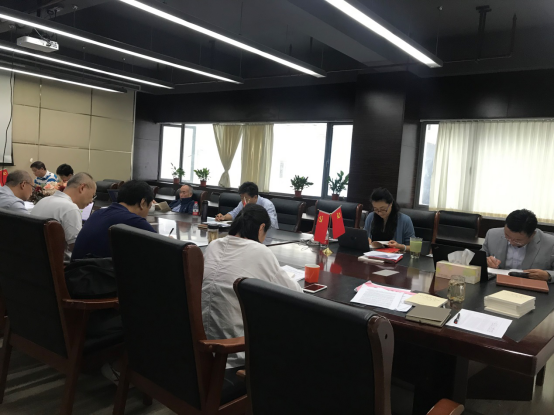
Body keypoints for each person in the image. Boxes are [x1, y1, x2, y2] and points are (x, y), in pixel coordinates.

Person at [202, 204, 302, 369]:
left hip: (201, 347)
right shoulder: (260, 252)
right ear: (261, 227)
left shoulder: (214, 245)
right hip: (232, 353)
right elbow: (296, 294)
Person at [72, 180, 157, 261]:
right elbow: (161, 247)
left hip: (75, 269)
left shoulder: (97, 213)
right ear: (143, 203)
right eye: (149, 207)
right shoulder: (135, 221)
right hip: (96, 270)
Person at [32, 173, 96, 259]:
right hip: (59, 264)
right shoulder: (70, 208)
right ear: (82, 188)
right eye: (92, 195)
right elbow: (77, 248)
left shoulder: (43, 201)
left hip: (36, 259)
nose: (91, 201)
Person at [483, 209, 554, 282]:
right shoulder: (492, 234)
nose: (511, 242)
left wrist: (548, 276)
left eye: (518, 240)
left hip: (530, 285)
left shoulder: (551, 243)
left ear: (532, 235)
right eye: (507, 236)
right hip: (497, 282)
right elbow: (479, 259)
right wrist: (486, 261)